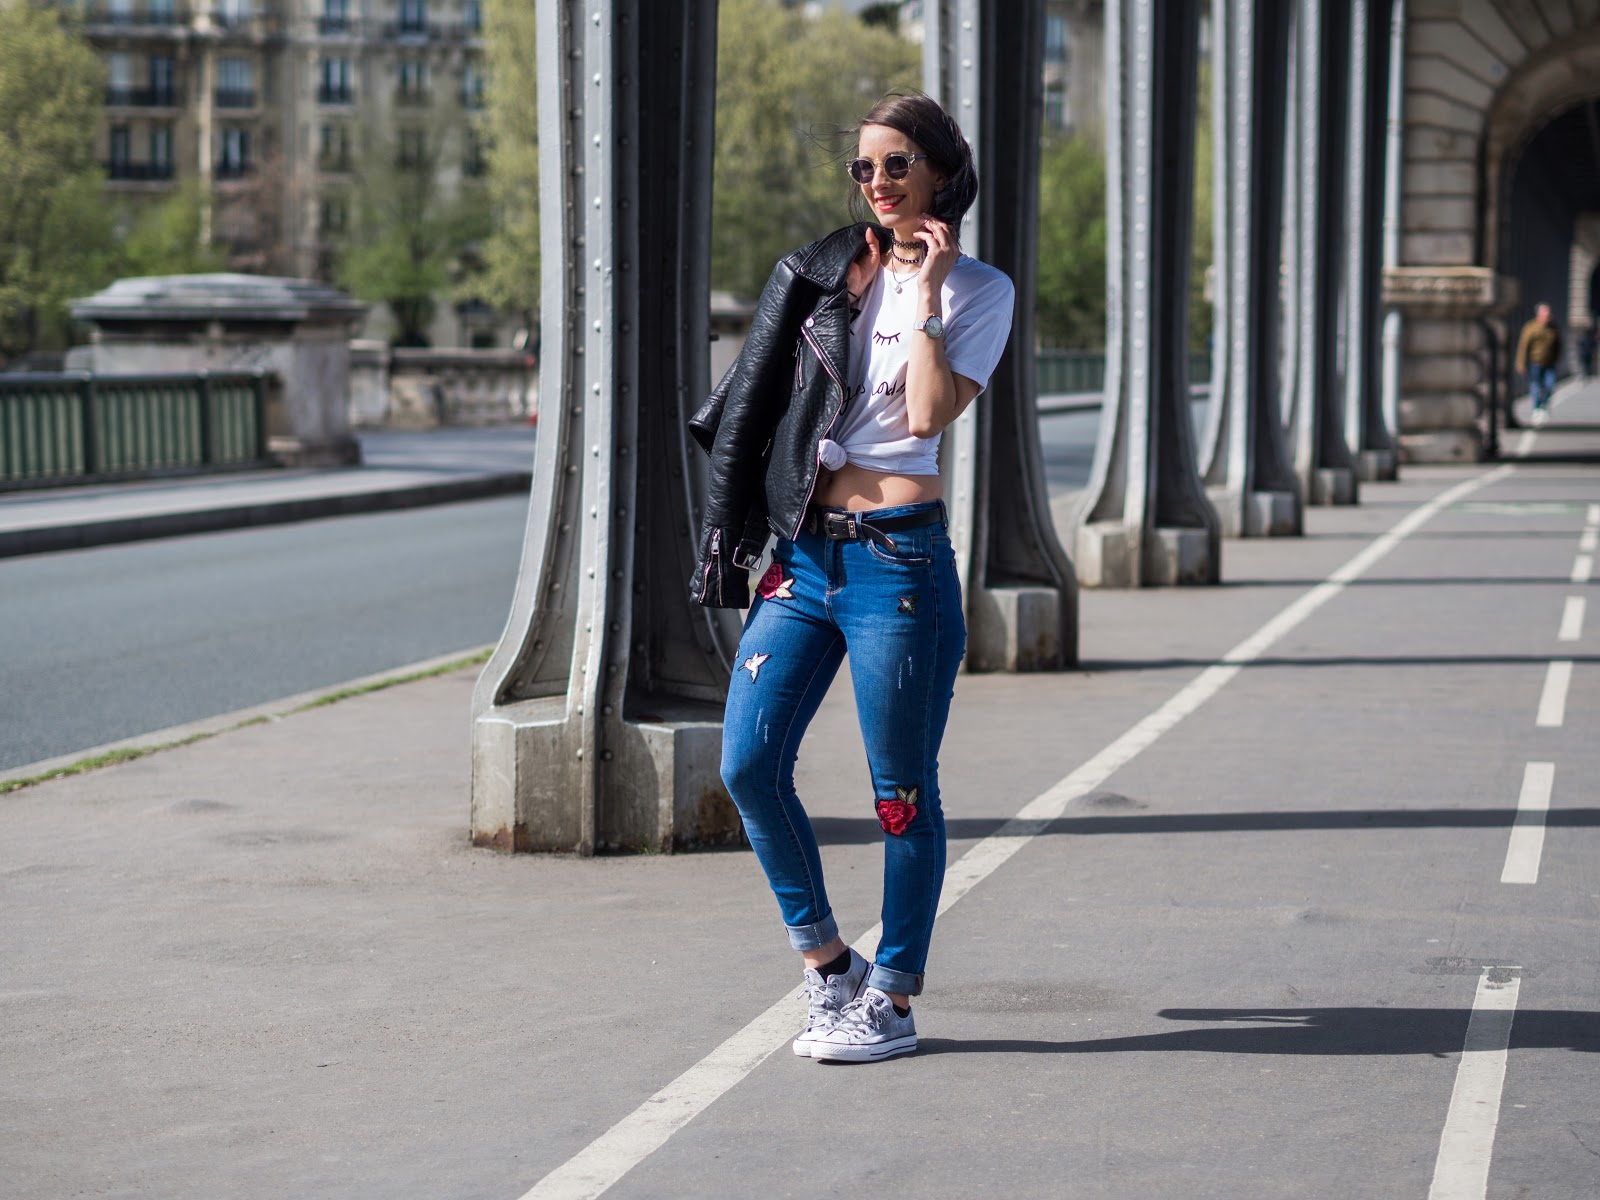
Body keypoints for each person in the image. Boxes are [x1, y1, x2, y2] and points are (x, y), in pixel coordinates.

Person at [687, 93, 1014, 1063]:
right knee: (747, 764)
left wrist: (925, 296)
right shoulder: (826, 274)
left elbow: (924, 418)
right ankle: (830, 967)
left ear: (942, 172)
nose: (878, 182)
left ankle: (895, 997)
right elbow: (761, 401)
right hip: (803, 556)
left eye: (897, 163)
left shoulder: (981, 291)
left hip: (896, 565)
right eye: (864, 167)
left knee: (900, 795)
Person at [1515, 302, 1562, 426]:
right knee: (1535, 385)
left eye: (1549, 312)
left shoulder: (1553, 327)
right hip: (1535, 362)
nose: (1548, 315)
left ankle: (1544, 406)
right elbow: (1523, 346)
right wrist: (1521, 363)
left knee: (1549, 385)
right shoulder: (1531, 327)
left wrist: (1557, 358)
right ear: (1539, 314)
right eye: (1545, 312)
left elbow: (1558, 345)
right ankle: (1536, 408)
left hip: (1550, 363)